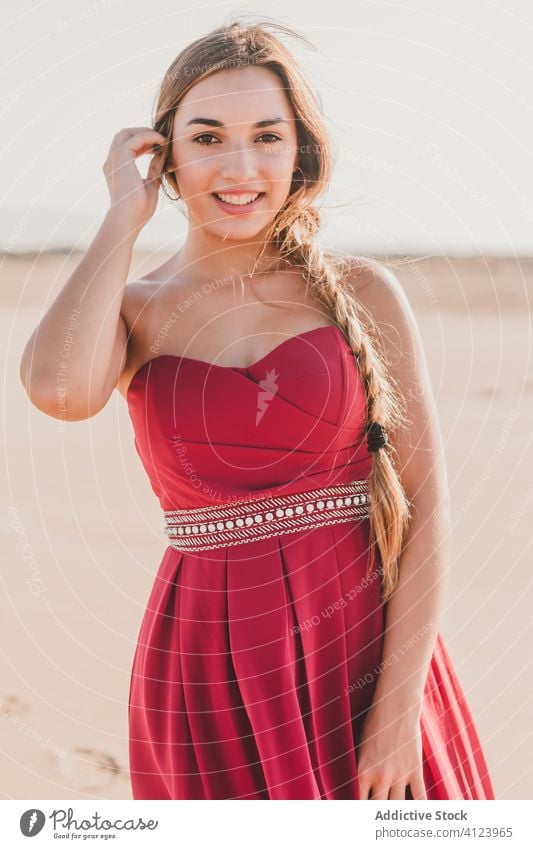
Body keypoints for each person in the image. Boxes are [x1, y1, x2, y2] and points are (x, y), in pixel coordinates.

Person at [20, 17, 495, 801]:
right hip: (207, 675)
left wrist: (399, 705)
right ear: (164, 152)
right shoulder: (133, 311)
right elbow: (59, 391)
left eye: (266, 136)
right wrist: (119, 216)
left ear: (298, 152)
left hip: (368, 659)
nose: (239, 166)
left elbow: (426, 504)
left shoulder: (363, 292)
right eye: (207, 137)